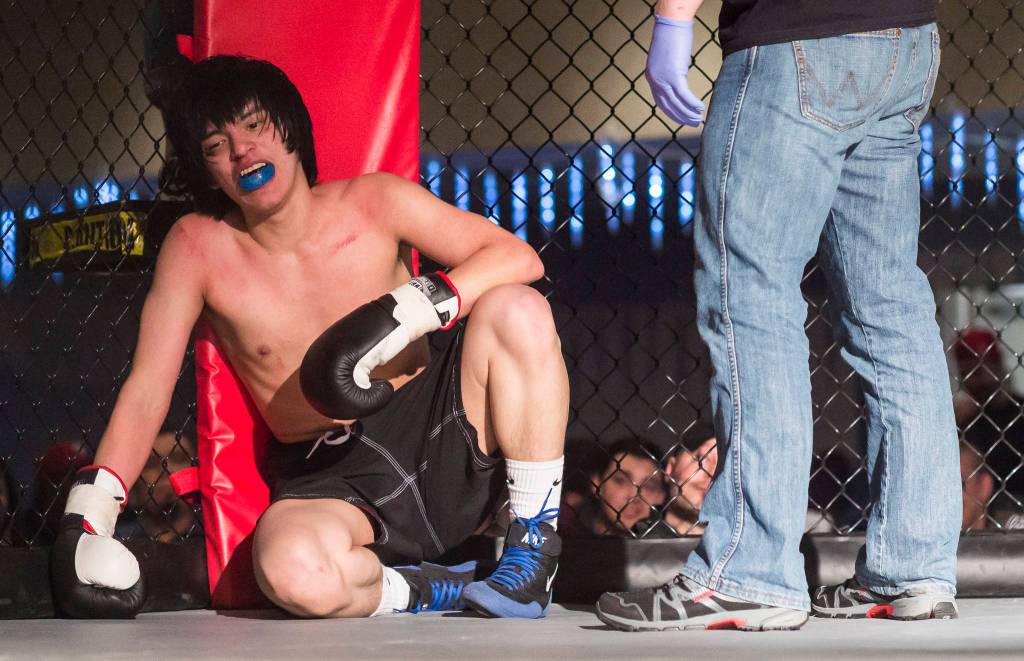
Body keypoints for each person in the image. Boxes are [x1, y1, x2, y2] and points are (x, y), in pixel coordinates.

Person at [50, 55, 569, 620]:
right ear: (208, 170)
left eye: (254, 125)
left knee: (517, 307)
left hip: (443, 427)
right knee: (292, 572)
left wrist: (406, 310)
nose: (242, 151)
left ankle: (533, 552)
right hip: (331, 474)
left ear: (290, 127)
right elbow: (148, 388)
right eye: (217, 145)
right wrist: (91, 509)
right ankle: (419, 589)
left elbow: (517, 257)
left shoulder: (374, 201)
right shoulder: (198, 248)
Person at [597, 0, 959, 630]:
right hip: (906, 39)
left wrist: (674, 18)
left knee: (753, 298)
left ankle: (752, 571)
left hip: (794, 35)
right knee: (891, 308)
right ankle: (912, 568)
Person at [953, 328, 1024, 530]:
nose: (980, 377)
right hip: (978, 515)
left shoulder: (1018, 413)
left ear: (999, 365)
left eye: (985, 366)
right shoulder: (964, 421)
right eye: (971, 370)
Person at [125, 431, 198, 542]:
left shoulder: (221, 539)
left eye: (179, 459)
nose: (166, 471)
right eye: (150, 464)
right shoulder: (117, 542)